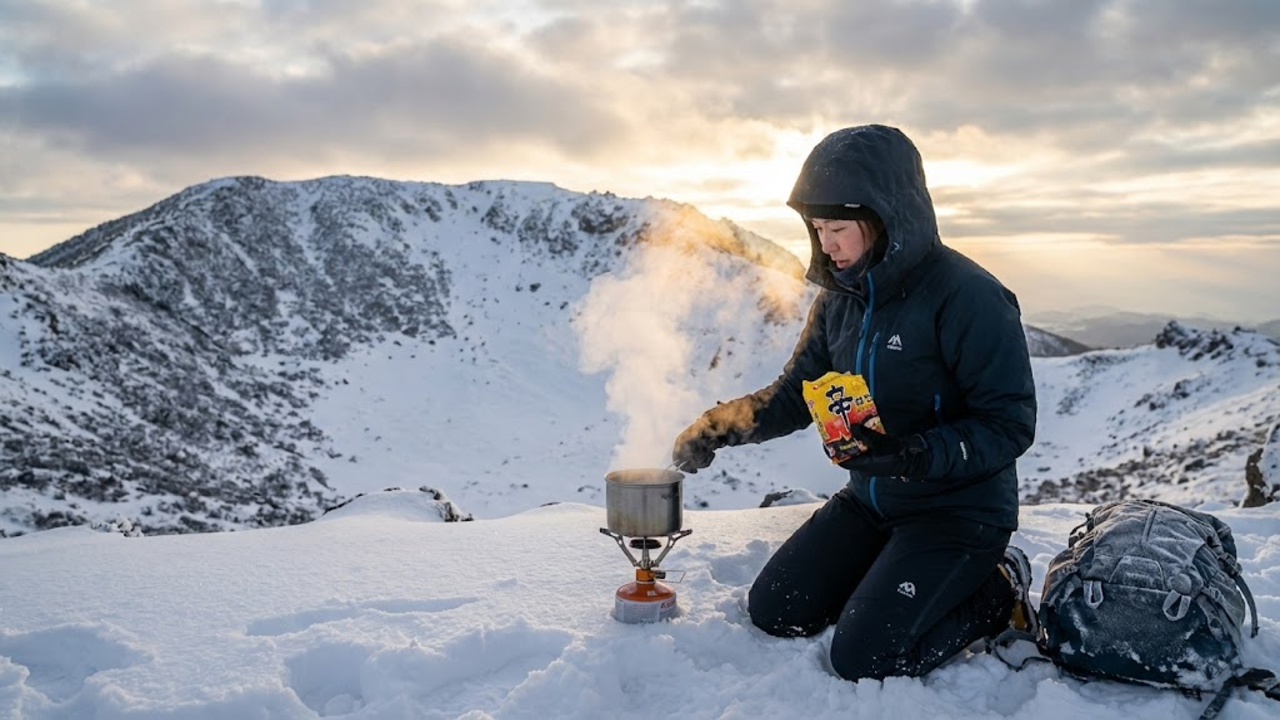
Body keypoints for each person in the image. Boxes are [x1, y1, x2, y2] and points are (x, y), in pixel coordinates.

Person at [670, 124, 1038, 682]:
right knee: (777, 611)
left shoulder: (970, 298)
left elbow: (1009, 424)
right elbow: (798, 394)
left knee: (865, 658)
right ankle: (888, 577)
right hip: (870, 501)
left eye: (838, 228)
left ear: (886, 218)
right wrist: (720, 427)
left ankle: (996, 590)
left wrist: (914, 454)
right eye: (817, 229)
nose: (826, 246)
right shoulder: (840, 299)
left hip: (956, 512)